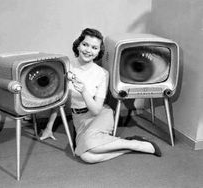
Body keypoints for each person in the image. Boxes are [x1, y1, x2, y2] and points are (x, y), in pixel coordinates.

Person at [40, 28, 161, 163]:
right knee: (87, 157)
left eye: (94, 47)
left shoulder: (102, 74)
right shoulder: (65, 67)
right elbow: (59, 100)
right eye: (85, 44)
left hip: (100, 114)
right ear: (78, 45)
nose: (88, 50)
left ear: (99, 51)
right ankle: (129, 145)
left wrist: (84, 91)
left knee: (90, 145)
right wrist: (48, 127)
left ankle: (140, 145)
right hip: (79, 119)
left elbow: (96, 109)